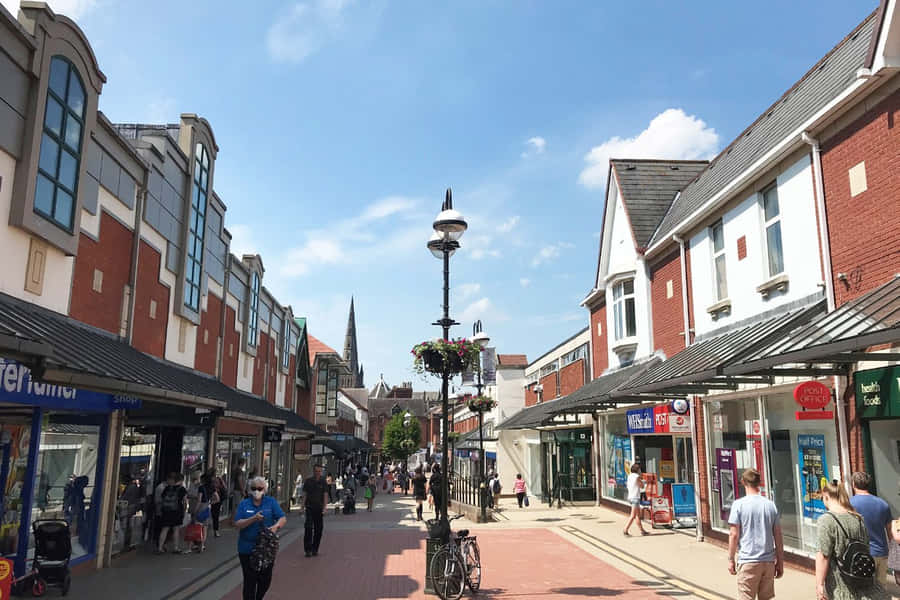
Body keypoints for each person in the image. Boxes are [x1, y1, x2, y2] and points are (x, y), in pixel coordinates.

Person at [816, 479, 889, 600]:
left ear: (826, 497)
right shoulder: (858, 518)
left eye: (822, 499)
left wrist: (819, 584)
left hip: (841, 588)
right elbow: (866, 547)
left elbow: (823, 555)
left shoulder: (826, 520)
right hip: (865, 583)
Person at [727, 468, 784, 600]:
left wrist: (730, 559)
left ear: (743, 482)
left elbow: (733, 534)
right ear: (759, 483)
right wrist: (780, 561)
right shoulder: (770, 505)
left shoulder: (738, 505)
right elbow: (778, 536)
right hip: (768, 562)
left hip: (748, 561)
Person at [234, 476, 286, 600]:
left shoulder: (271, 502)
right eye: (254, 488)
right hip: (247, 548)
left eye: (259, 488)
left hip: (266, 549)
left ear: (264, 489)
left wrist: (275, 527)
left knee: (265, 578)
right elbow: (237, 524)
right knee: (250, 579)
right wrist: (253, 519)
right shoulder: (244, 504)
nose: (256, 490)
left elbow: (282, 518)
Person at [850, 472, 895, 587]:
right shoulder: (883, 504)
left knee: (865, 589)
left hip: (861, 554)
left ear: (853, 484)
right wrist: (894, 553)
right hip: (881, 553)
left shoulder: (850, 505)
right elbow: (890, 531)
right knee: (881, 588)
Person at [156, 472, 188, 554]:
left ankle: (160, 548)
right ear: (180, 480)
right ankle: (176, 548)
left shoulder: (167, 488)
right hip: (177, 511)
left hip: (166, 511)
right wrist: (184, 511)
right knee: (176, 529)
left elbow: (162, 498)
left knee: (164, 529)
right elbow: (184, 502)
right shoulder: (182, 489)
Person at [302, 464, 328, 557]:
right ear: (313, 471)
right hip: (309, 507)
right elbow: (305, 494)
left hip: (319, 508)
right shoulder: (308, 481)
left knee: (318, 529)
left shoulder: (323, 481)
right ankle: (308, 549)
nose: (318, 473)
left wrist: (325, 508)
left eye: (319, 471)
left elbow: (325, 495)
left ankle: (315, 548)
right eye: (316, 471)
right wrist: (302, 506)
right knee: (308, 527)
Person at [623, 463, 649, 536]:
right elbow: (641, 486)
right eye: (640, 469)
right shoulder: (637, 476)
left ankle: (642, 531)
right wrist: (643, 481)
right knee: (633, 515)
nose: (640, 471)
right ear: (637, 470)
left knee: (638, 515)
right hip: (635, 498)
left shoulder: (629, 476)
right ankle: (625, 529)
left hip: (631, 497)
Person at [208, 468, 226, 538]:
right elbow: (224, 487)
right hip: (217, 499)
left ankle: (213, 529)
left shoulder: (211, 480)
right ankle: (216, 530)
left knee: (214, 515)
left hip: (213, 499)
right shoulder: (218, 479)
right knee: (215, 515)